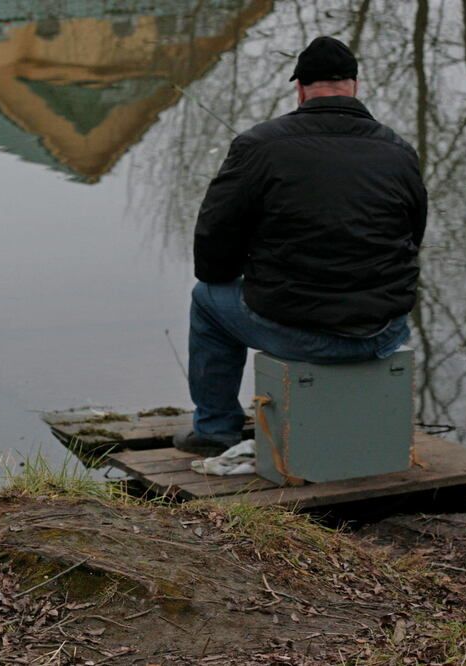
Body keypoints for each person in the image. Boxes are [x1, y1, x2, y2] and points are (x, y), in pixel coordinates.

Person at [176, 36, 427, 453]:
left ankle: (214, 430)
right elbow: (412, 237)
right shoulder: (400, 152)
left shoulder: (259, 145)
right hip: (383, 329)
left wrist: (235, 275)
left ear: (300, 88)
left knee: (207, 299)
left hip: (300, 331)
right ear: (355, 86)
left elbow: (214, 236)